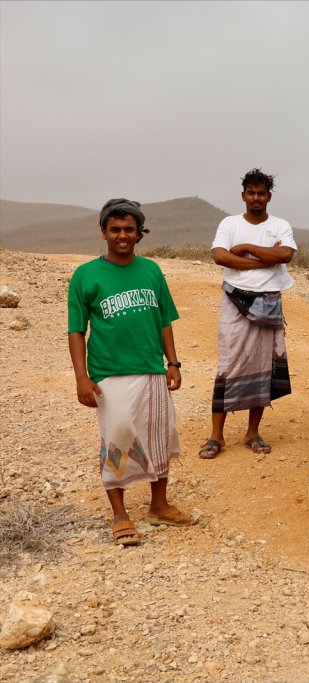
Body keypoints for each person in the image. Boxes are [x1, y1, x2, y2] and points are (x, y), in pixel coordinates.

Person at [68, 198, 194, 546]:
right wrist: (81, 377)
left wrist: (173, 362)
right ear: (104, 232)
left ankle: (159, 505)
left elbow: (164, 320)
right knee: (119, 436)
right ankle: (120, 514)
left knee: (160, 435)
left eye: (129, 229)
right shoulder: (86, 275)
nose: (122, 235)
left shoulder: (152, 270)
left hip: (152, 369)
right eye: (115, 229)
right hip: (109, 372)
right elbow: (76, 330)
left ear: (139, 233)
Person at [199, 168, 297, 459]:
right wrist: (263, 261)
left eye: (261, 193)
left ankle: (252, 432)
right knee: (228, 364)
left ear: (269, 196)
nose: (256, 197)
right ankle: (216, 435)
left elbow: (285, 255)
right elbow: (220, 256)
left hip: (268, 301)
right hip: (234, 300)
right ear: (243, 195)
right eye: (251, 192)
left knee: (262, 365)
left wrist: (244, 249)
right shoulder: (229, 223)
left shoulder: (280, 225)